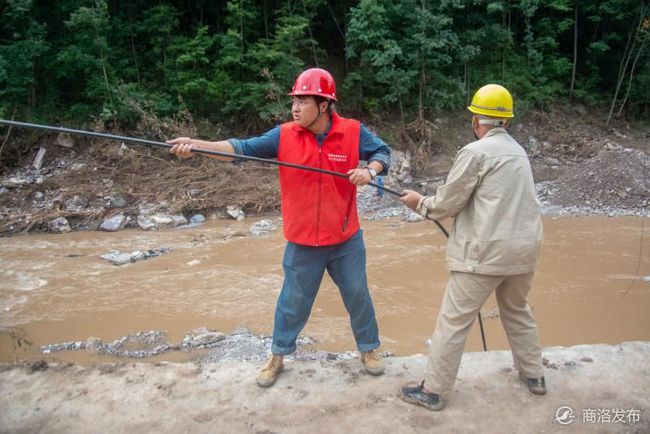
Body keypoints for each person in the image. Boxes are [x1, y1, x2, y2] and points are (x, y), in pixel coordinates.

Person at [167, 67, 391, 387]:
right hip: (303, 241)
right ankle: (278, 356)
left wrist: (371, 170)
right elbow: (240, 149)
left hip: (345, 238)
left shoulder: (353, 131)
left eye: (302, 101)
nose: (295, 107)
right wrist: (197, 145)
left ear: (324, 105)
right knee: (293, 301)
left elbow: (383, 153)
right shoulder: (284, 135)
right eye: (294, 101)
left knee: (357, 293)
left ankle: (369, 349)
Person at [399, 84, 546, 411]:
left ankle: (432, 391)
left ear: (477, 119)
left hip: (484, 255)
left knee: (453, 322)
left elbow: (447, 203)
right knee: (518, 311)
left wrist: (419, 203)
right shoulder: (519, 152)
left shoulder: (476, 152)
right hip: (523, 251)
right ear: (505, 120)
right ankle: (534, 375)